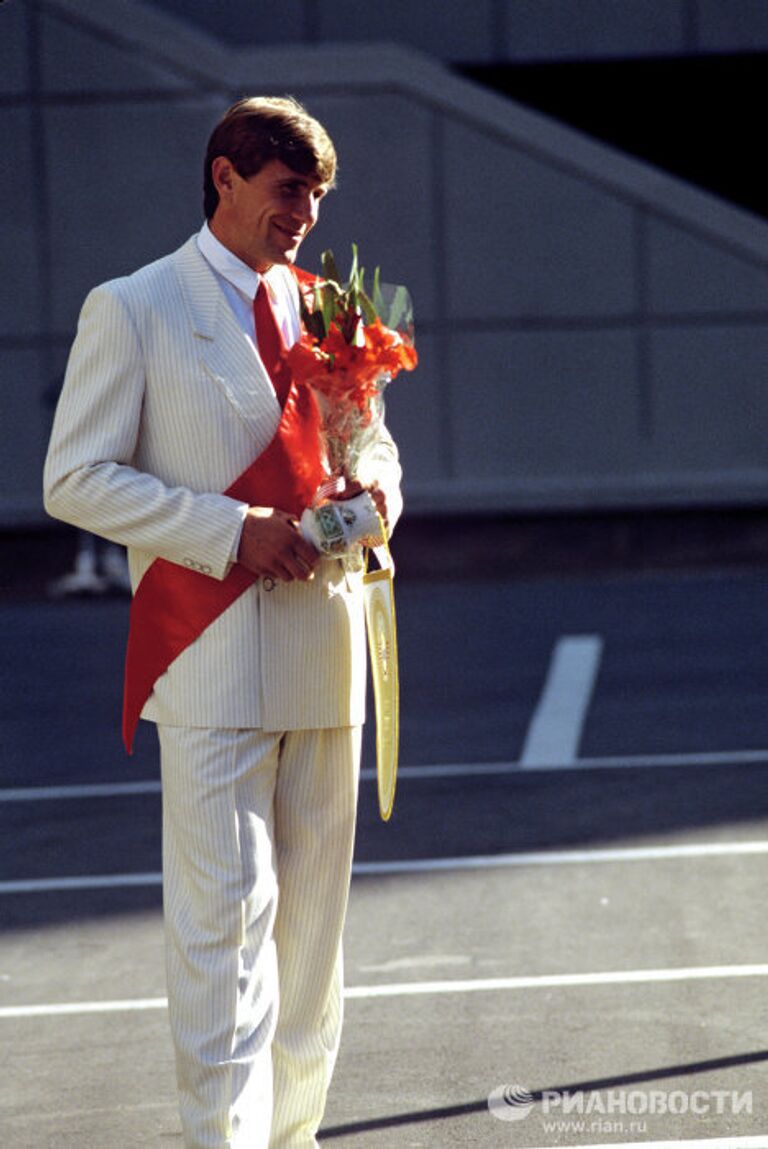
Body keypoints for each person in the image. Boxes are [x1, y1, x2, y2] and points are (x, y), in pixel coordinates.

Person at [43, 96, 402, 1149]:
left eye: (319, 197)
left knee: (311, 940)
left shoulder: (330, 306)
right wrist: (228, 527)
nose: (306, 214)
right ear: (226, 178)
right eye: (291, 191)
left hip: (325, 648)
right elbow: (75, 478)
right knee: (221, 927)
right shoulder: (137, 305)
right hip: (208, 655)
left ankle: (293, 1134)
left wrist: (377, 493)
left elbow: (368, 443)